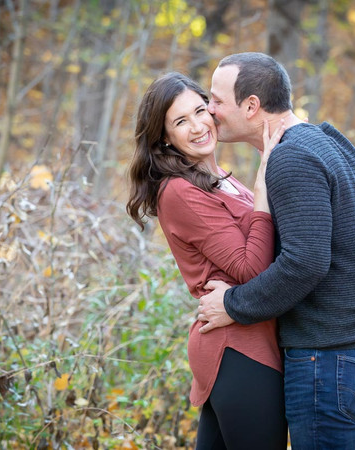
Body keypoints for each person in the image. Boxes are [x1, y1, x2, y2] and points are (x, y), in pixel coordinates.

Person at [197, 52, 355, 449]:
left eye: (217, 100)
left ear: (251, 106)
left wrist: (233, 304)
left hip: (329, 356)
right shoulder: (331, 144)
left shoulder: (291, 157)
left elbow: (306, 262)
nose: (210, 110)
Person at [126, 72, 288, 449]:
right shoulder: (179, 191)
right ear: (165, 136)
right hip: (239, 348)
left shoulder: (220, 180)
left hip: (243, 340)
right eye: (181, 121)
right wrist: (264, 188)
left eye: (200, 111)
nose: (198, 126)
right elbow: (250, 269)